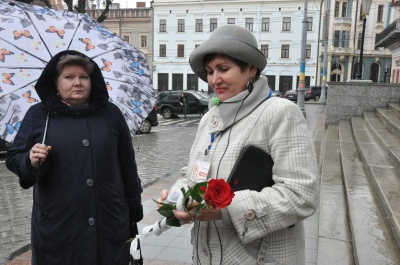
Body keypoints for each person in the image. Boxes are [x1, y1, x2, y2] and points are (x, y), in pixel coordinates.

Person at [158, 25, 319, 264]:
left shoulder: (280, 113)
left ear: (251, 69)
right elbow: (194, 173)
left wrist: (226, 210)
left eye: (223, 69)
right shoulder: (208, 119)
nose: (214, 79)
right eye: (210, 71)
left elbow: (301, 196)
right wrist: (178, 196)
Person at [6, 50, 143, 265]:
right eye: (69, 77)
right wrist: (30, 160)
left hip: (108, 219)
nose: (77, 82)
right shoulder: (39, 114)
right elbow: (14, 157)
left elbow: (127, 164)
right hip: (58, 224)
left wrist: (134, 210)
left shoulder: (111, 114)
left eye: (84, 77)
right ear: (56, 83)